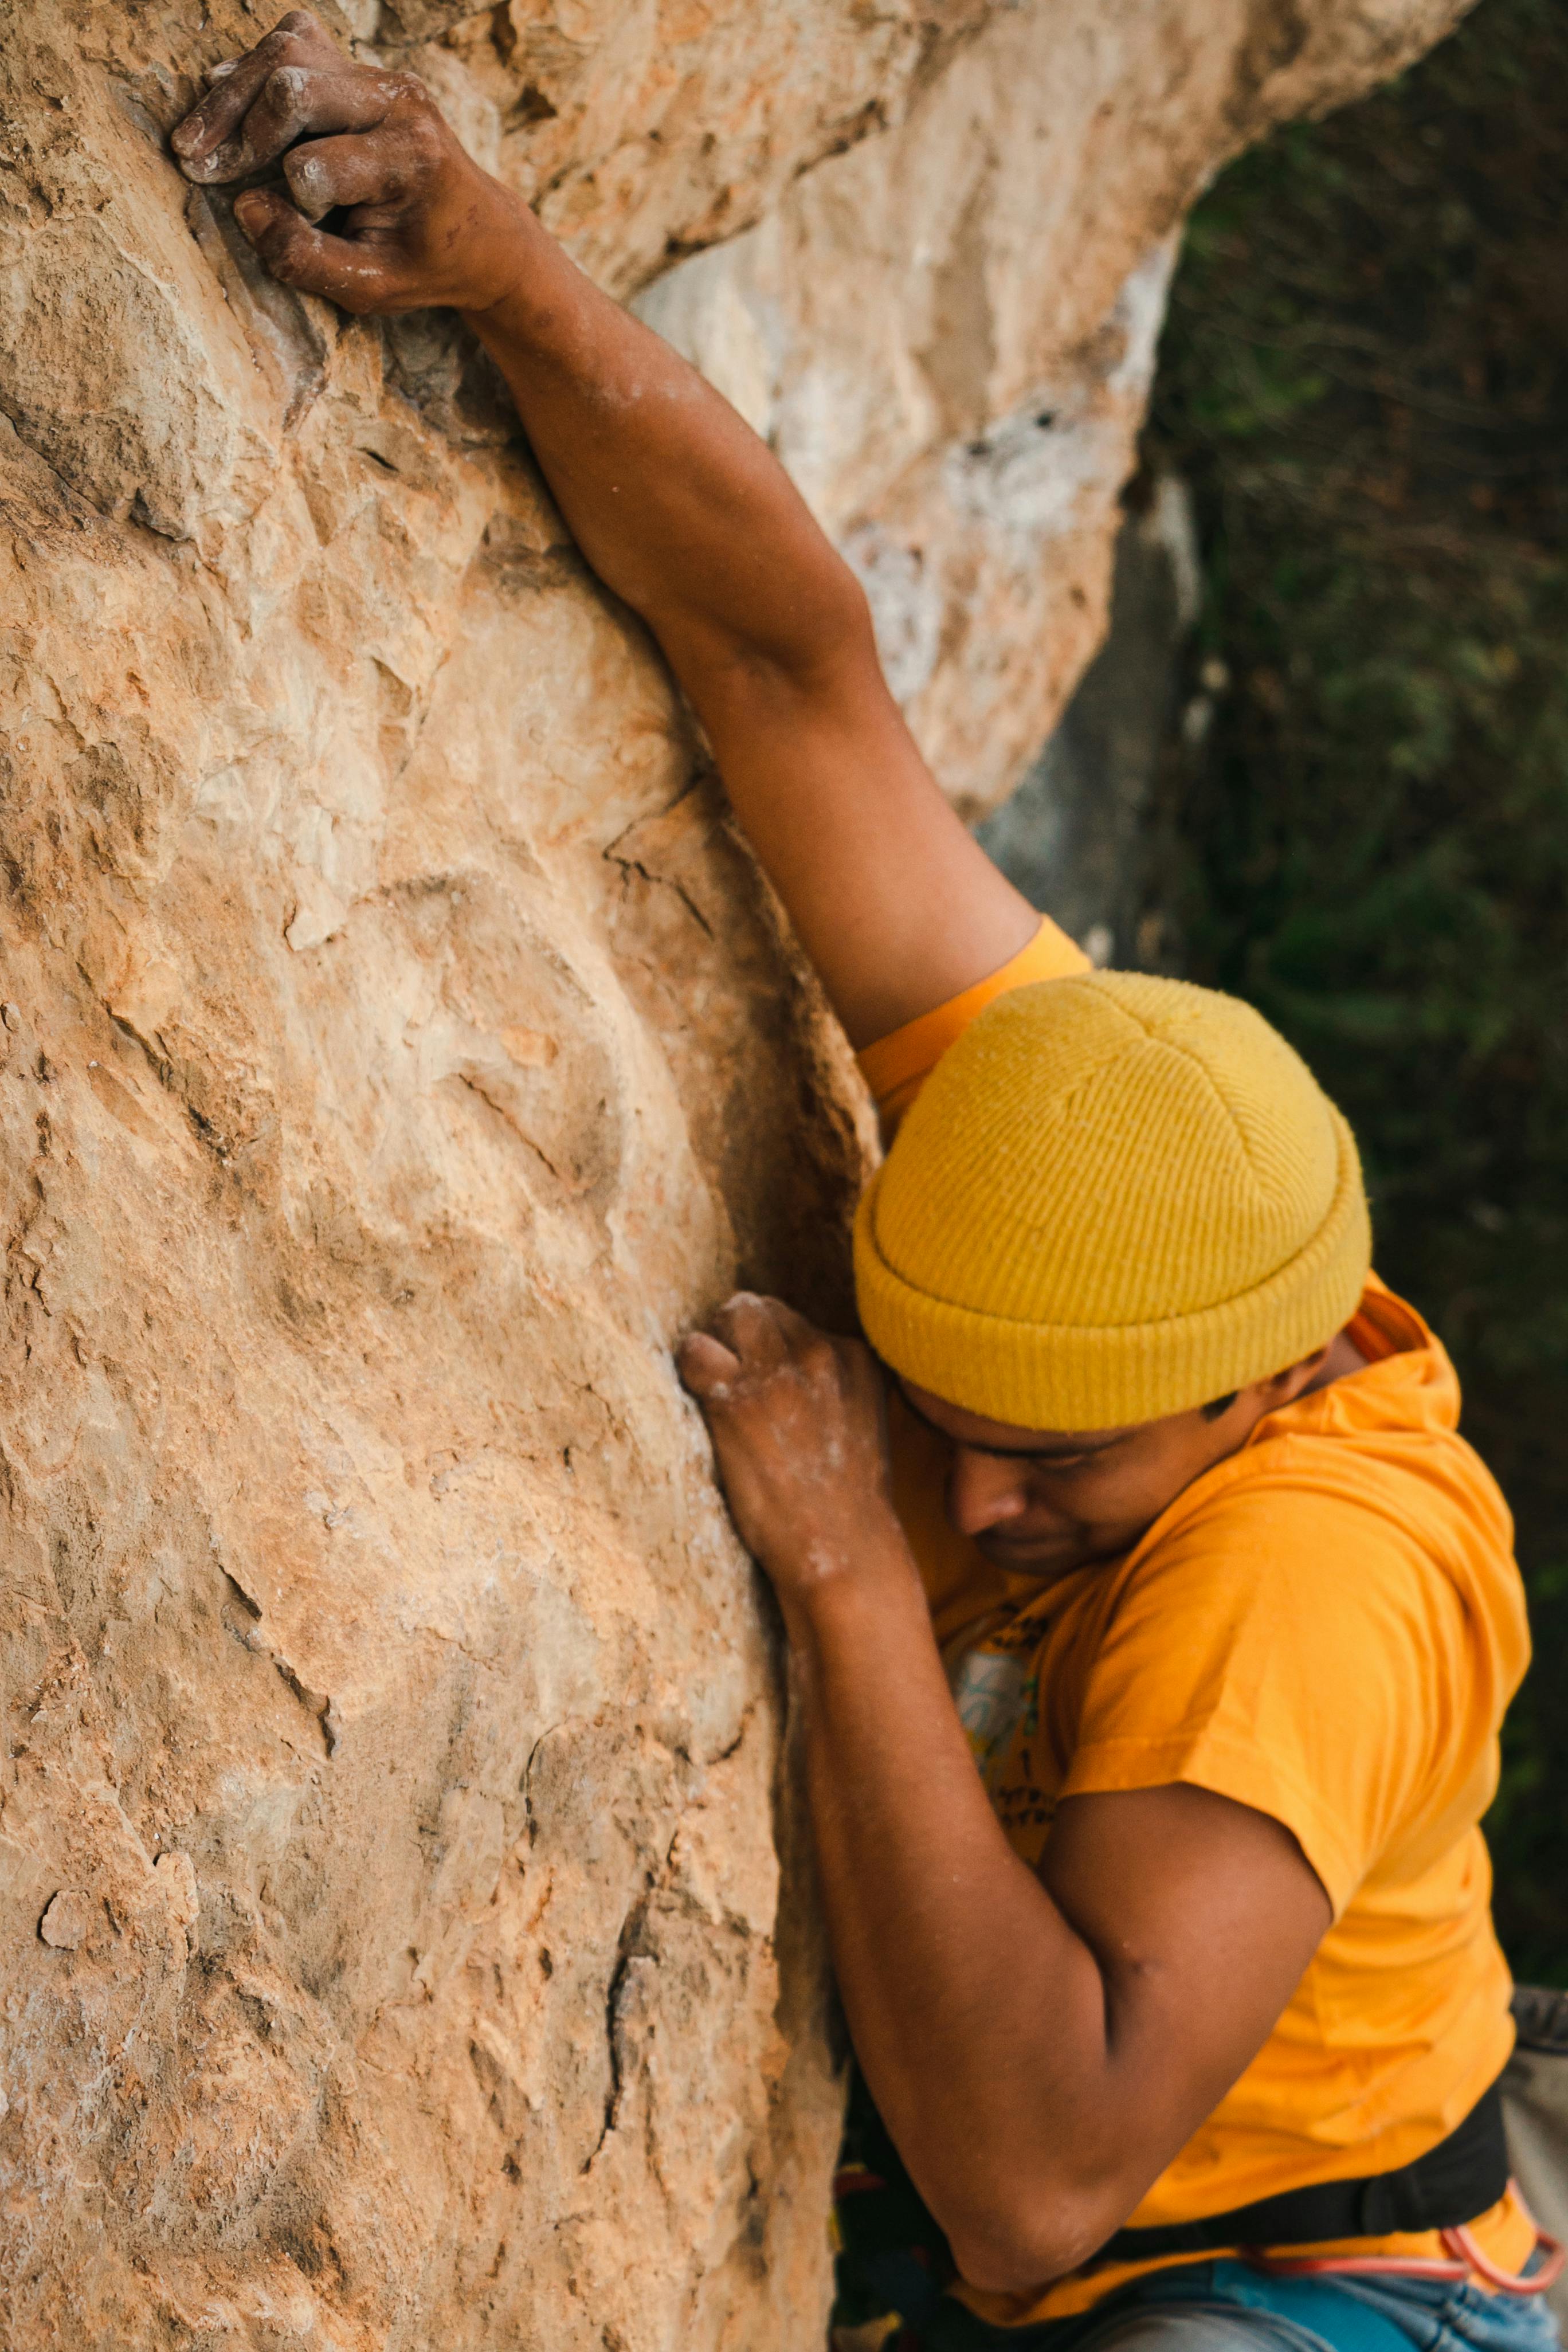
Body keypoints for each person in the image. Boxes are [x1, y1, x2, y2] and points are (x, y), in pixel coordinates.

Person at [170, 22, 1559, 2350]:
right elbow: (784, 657)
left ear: (1282, 1367)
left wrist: (849, 1568)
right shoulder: (1069, 1138)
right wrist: (505, 267)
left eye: (1067, 1460)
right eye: (953, 1410)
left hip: (1321, 2287)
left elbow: (1035, 2178)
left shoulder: (1308, 1580)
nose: (989, 1495)